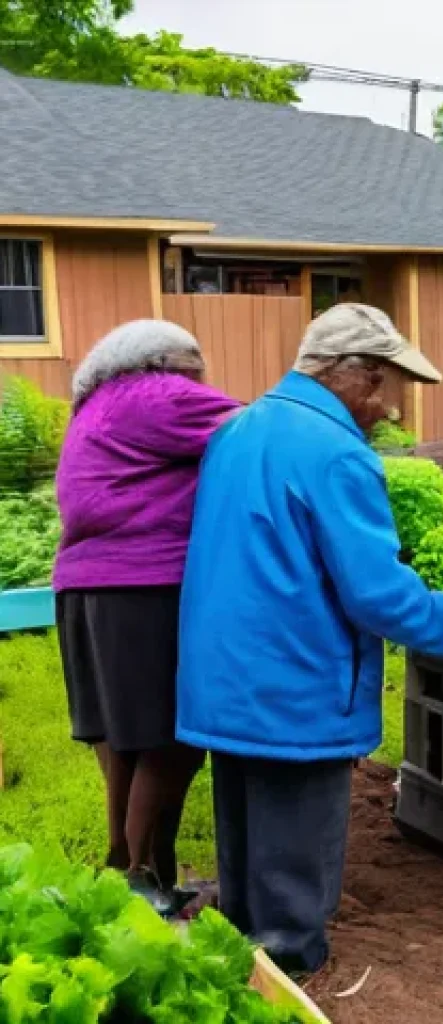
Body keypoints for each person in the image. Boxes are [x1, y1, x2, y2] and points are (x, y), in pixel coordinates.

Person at [175, 303, 443, 978]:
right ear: (355, 375)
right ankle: (289, 976)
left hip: (225, 676)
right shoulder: (338, 454)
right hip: (294, 682)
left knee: (245, 831)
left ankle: (235, 956)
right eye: (386, 386)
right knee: (294, 875)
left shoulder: (239, 430)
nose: (390, 408)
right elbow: (377, 595)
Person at [53, 319, 242, 913]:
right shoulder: (159, 394)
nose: (203, 382)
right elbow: (263, 434)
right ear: (174, 362)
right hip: (142, 585)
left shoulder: (99, 406)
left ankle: (141, 869)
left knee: (123, 741)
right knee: (173, 738)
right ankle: (135, 874)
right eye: (198, 370)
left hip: (85, 589)